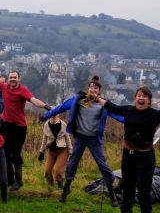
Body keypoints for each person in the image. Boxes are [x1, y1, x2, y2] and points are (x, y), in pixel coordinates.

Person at [39, 77, 123, 205]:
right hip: (80, 137)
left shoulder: (103, 105)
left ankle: (112, 194)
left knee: (102, 164)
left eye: (96, 88)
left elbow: (119, 116)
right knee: (72, 163)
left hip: (94, 139)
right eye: (91, 87)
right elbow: (60, 108)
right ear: (88, 88)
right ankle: (66, 189)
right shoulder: (78, 100)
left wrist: (136, 121)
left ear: (99, 91)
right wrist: (45, 116)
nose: (93, 89)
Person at [0, 54, 52, 190]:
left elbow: (34, 100)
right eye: (11, 77)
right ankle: (10, 179)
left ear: (19, 79)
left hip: (19, 126)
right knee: (5, 151)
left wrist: (46, 106)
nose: (12, 79)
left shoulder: (22, 90)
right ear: (8, 79)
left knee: (16, 153)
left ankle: (19, 181)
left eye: (15, 77)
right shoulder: (5, 87)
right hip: (6, 124)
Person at [37, 113, 72, 188]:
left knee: (57, 170)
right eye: (51, 113)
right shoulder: (46, 125)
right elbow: (45, 138)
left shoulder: (63, 124)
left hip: (62, 150)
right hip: (51, 151)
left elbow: (67, 138)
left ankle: (60, 183)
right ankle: (50, 185)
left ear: (58, 115)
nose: (53, 115)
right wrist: (41, 151)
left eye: (55, 113)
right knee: (47, 170)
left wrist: (70, 151)